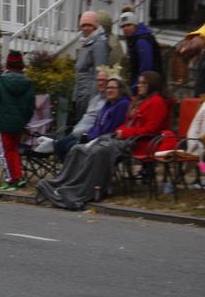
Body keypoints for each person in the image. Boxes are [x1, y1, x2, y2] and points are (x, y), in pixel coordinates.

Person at [37, 71, 168, 210]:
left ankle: (83, 190)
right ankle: (62, 184)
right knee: (78, 149)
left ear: (152, 85)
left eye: (143, 83)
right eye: (139, 82)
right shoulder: (141, 101)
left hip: (140, 143)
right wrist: (120, 131)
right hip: (124, 138)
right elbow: (127, 123)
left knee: (97, 151)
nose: (139, 86)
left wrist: (123, 132)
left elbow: (150, 130)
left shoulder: (157, 103)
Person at [0, 51, 35, 191]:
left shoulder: (0, 82)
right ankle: (18, 177)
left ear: (7, 64)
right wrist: (24, 121)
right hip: (19, 124)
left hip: (2, 123)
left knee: (6, 152)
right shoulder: (28, 83)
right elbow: (31, 107)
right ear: (21, 65)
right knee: (14, 150)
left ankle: (10, 179)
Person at [54, 68, 107, 160]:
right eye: (98, 80)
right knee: (58, 145)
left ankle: (73, 171)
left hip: (89, 134)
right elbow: (86, 116)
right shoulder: (96, 98)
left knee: (69, 148)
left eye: (103, 80)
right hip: (78, 131)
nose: (100, 83)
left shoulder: (107, 101)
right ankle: (68, 171)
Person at [73, 11, 109, 121]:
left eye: (89, 25)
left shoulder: (99, 43)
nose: (85, 28)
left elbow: (100, 72)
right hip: (81, 91)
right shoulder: (85, 42)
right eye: (83, 25)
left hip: (89, 94)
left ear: (95, 26)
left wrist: (93, 98)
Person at [118, 11, 161, 89]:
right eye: (123, 26)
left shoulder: (142, 41)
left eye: (128, 25)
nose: (125, 28)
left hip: (148, 86)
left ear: (135, 25)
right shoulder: (132, 39)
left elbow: (146, 68)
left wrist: (136, 87)